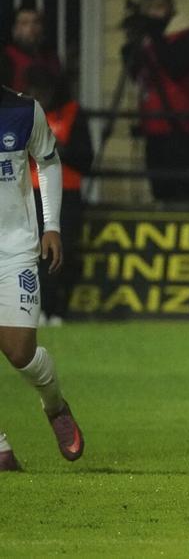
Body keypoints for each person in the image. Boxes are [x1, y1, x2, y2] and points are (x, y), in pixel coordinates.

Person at [0, 84, 83, 471]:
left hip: (14, 247)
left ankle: (55, 405)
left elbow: (48, 161)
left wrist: (51, 225)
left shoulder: (23, 111)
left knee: (20, 351)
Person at [123, 0, 189, 203]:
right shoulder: (147, 41)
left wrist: (155, 36)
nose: (154, 14)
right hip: (153, 125)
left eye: (159, 7)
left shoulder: (187, 37)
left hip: (181, 125)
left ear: (171, 7)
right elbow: (135, 74)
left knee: (183, 188)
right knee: (159, 186)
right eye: (149, 8)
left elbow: (175, 66)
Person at [24, 66, 92, 327]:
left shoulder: (73, 114)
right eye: (34, 91)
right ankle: (36, 309)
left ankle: (58, 309)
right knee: (32, 254)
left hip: (66, 192)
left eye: (43, 91)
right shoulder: (24, 114)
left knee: (63, 251)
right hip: (31, 193)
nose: (39, 96)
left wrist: (55, 149)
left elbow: (85, 158)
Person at [4, 7, 61, 94]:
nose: (31, 27)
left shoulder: (50, 57)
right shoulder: (5, 57)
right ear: (15, 30)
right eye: (24, 23)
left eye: (36, 22)